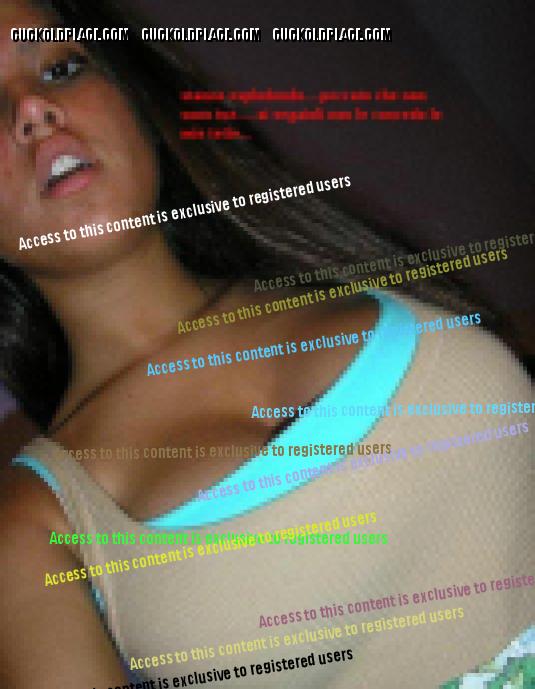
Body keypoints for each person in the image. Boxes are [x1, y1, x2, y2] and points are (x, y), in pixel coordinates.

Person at [0, 1, 533, 687]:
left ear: (133, 98)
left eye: (61, 67)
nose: (33, 109)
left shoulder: (354, 273)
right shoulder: (37, 523)